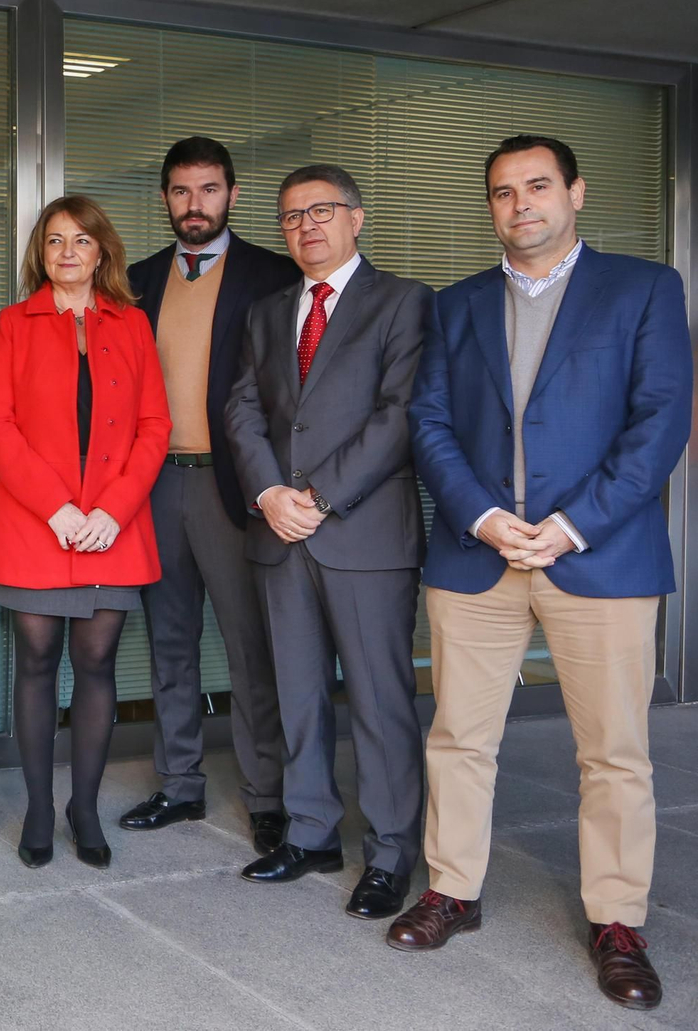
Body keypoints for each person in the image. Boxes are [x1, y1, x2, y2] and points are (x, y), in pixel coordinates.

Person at [395, 135, 690, 1011]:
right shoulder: (456, 304)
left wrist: (567, 526)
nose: (519, 203)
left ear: (575, 192)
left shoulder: (644, 289)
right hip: (476, 554)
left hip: (598, 554)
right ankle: (452, 889)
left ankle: (617, 919)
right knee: (458, 737)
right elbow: (430, 420)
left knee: (614, 753)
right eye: (501, 192)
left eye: (536, 186)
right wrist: (484, 517)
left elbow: (661, 421)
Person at [224, 164, 430, 920]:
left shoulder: (403, 301)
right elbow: (242, 409)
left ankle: (391, 851)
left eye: (322, 210)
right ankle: (311, 832)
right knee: (298, 691)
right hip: (279, 530)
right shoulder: (268, 311)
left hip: (364, 533)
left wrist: (318, 494)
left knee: (380, 700)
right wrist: (270, 492)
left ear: (357, 216)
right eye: (291, 216)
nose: (306, 225)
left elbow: (400, 413)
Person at [0, 195, 170, 870]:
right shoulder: (15, 323)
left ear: (101, 252)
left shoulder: (134, 324)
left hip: (111, 528)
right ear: (41, 253)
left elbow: (155, 428)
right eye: (55, 240)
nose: (67, 251)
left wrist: (112, 511)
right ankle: (37, 805)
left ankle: (83, 807)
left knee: (95, 666)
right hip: (37, 526)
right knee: (34, 665)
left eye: (81, 240)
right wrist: (56, 507)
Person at [121, 136, 299, 854]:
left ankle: (267, 797)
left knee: (249, 646)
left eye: (209, 189)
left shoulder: (274, 274)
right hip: (154, 484)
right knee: (169, 641)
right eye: (181, 191)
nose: (195, 205)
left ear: (231, 193)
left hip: (234, 489)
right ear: (164, 197)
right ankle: (181, 783)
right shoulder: (135, 279)